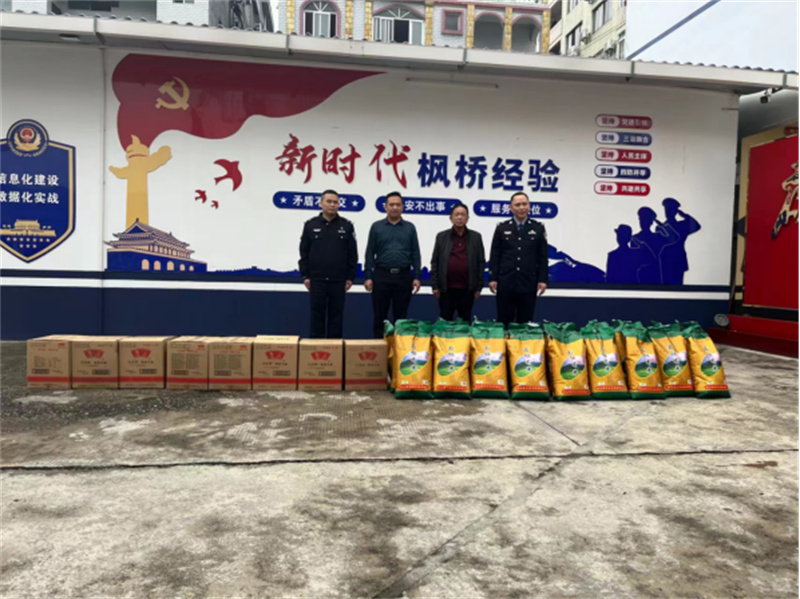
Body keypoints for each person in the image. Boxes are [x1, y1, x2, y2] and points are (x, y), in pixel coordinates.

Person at [298, 189, 357, 338]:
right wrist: (305, 276)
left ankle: (334, 350)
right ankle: (316, 350)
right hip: (317, 280)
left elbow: (352, 254)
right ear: (321, 203)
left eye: (335, 202)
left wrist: (350, 277)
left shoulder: (346, 226)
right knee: (317, 317)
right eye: (329, 201)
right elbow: (304, 253)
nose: (332, 205)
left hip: (338, 281)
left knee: (336, 318)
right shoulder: (310, 225)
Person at [364, 192, 422, 338]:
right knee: (380, 316)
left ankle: (398, 348)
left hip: (403, 276)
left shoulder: (410, 228)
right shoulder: (377, 227)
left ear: (402, 207)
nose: (394, 207)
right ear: (385, 207)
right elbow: (370, 252)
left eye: (398, 205)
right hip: (382, 275)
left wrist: (417, 276)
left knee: (401, 318)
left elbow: (415, 253)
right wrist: (368, 276)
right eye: (391, 205)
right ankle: (379, 347)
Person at [488, 192, 548, 328]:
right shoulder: (502, 228)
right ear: (511, 208)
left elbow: (542, 256)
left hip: (528, 282)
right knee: (504, 322)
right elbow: (495, 255)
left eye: (524, 204)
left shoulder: (538, 228)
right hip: (506, 282)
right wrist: (493, 278)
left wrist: (542, 279)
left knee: (525, 323)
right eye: (518, 205)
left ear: (529, 206)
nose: (522, 207)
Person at [430, 203, 486, 321]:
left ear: (467, 218)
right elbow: (435, 262)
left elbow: (481, 262)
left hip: (467, 290)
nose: (459, 217)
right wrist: (435, 286)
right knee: (445, 322)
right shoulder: (441, 236)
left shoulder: (476, 237)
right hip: (446, 290)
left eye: (463, 214)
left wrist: (478, 288)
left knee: (464, 323)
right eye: (456, 215)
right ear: (451, 218)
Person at [632, 206, 680, 284]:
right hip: (641, 273)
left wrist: (663, 226)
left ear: (651, 221)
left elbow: (674, 238)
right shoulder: (635, 238)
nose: (642, 221)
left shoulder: (657, 236)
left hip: (654, 272)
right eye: (641, 218)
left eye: (645, 218)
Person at [659, 197, 701, 284]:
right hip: (664, 260)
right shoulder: (661, 227)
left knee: (677, 286)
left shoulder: (681, 226)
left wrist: (685, 216)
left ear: (675, 211)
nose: (667, 212)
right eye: (666, 209)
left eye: (670, 209)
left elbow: (696, 226)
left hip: (677, 260)